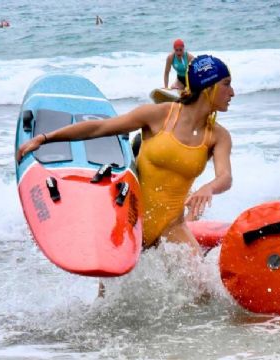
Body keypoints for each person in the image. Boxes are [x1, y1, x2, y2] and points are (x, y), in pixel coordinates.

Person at [17, 55, 234, 254]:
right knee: (110, 298)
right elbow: (98, 128)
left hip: (171, 227)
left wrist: (209, 187)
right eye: (226, 84)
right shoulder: (159, 115)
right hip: (129, 220)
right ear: (208, 86)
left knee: (201, 292)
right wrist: (45, 138)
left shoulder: (217, 136)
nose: (232, 92)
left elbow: (225, 177)